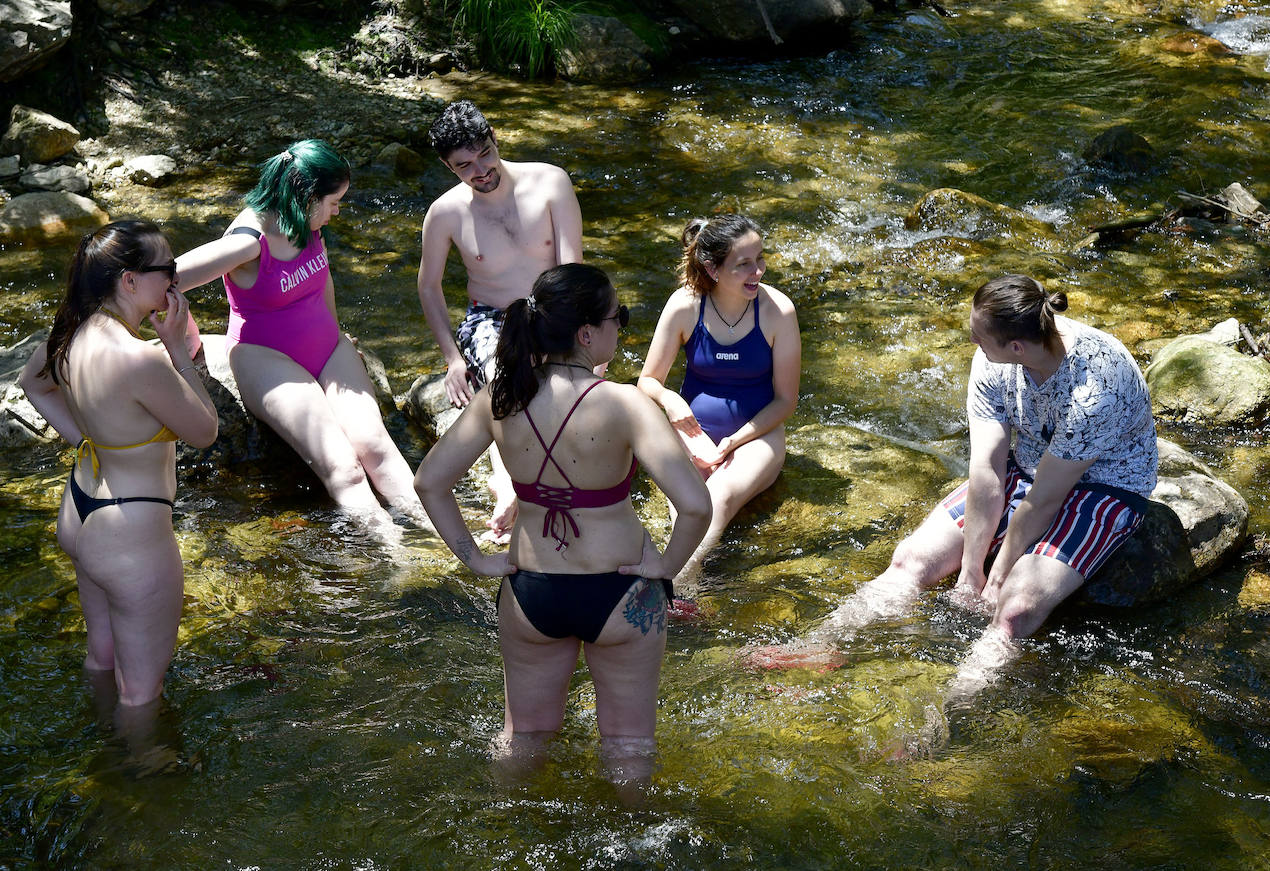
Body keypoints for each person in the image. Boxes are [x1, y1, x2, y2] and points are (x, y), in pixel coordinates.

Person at [751, 274, 1158, 715]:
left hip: (1105, 486)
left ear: (1017, 347)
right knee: (911, 560)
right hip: (1028, 466)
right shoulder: (995, 360)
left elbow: (1044, 501)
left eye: (978, 336)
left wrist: (996, 577)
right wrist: (969, 573)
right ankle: (818, 646)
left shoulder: (1095, 388)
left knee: (1015, 610)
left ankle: (941, 716)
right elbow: (987, 470)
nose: (970, 341)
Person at [413, 263, 711, 785]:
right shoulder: (626, 404)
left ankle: (503, 834)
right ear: (586, 332)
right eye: (619, 316)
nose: (622, 326)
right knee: (628, 741)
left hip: (531, 590)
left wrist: (475, 557)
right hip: (621, 591)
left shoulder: (499, 400)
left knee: (523, 736)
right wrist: (666, 564)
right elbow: (696, 506)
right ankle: (636, 848)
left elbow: (429, 483)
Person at [174, 139, 427, 546]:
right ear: (307, 197)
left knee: (378, 448)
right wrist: (185, 340)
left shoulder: (308, 222)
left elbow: (322, 279)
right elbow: (161, 282)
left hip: (327, 348)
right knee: (344, 468)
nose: (337, 210)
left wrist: (338, 330)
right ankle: (400, 558)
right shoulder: (245, 243)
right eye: (333, 201)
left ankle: (446, 543)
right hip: (266, 359)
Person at [19, 220, 218, 731]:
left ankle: (96, 747)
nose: (174, 283)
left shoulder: (72, 331)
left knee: (101, 659)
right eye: (167, 272)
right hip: (131, 535)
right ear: (129, 281)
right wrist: (177, 348)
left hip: (82, 512)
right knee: (142, 697)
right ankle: (137, 795)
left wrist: (89, 437)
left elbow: (32, 384)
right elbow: (205, 431)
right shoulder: (140, 359)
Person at [418, 100, 584, 543]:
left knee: (568, 393)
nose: (481, 170)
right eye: (464, 165)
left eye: (485, 153)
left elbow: (573, 273)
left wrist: (582, 347)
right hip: (491, 318)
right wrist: (453, 360)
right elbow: (429, 287)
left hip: (553, 307)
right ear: (447, 167)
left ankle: (518, 481)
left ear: (495, 139)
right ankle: (513, 482)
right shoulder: (446, 213)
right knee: (514, 378)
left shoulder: (550, 182)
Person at [638, 215, 801, 584]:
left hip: (758, 436)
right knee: (689, 505)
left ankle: (675, 587)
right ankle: (679, 587)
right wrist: (670, 402)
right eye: (743, 264)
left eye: (760, 258)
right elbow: (647, 381)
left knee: (720, 497)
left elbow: (785, 401)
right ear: (712, 268)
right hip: (690, 432)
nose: (757, 271)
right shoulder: (685, 305)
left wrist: (733, 441)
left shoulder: (778, 311)